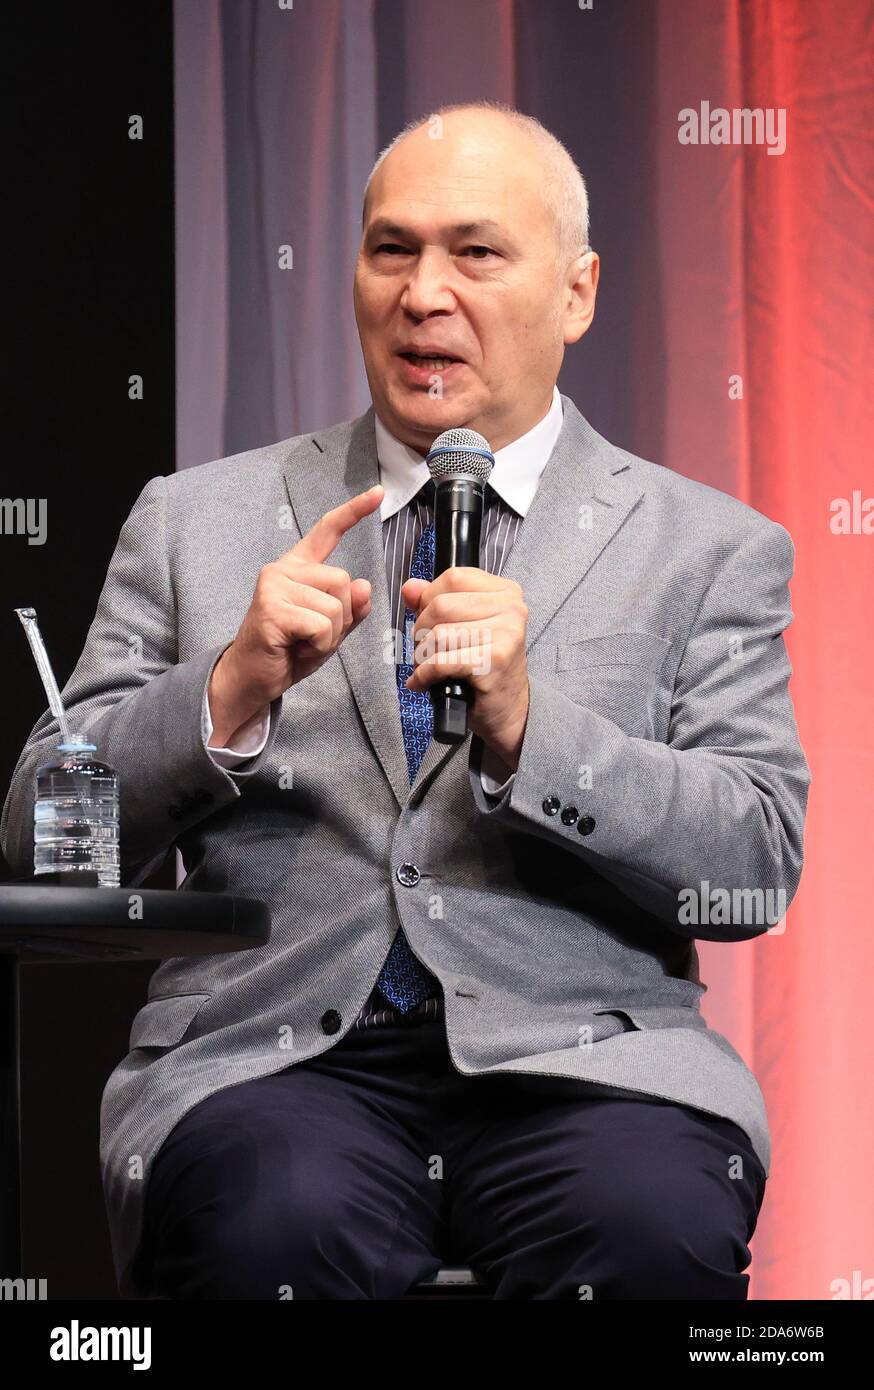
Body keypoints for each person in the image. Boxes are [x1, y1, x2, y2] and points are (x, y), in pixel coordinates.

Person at [1, 101, 810, 1300]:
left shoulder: (706, 545)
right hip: (270, 1062)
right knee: (274, 1220)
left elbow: (754, 859)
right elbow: (41, 855)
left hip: (585, 1063)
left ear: (577, 293)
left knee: (642, 1223)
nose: (423, 292)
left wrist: (536, 732)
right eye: (392, 250)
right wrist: (227, 691)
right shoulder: (194, 519)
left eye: (475, 253)